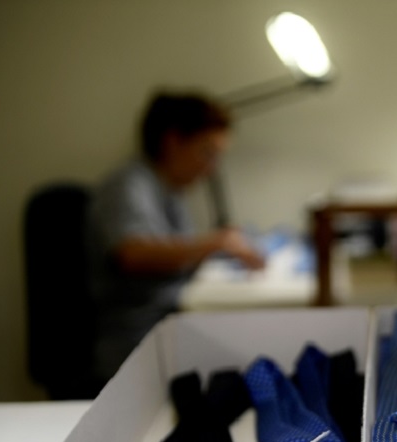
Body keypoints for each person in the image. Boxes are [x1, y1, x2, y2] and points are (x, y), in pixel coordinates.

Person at [87, 90, 265, 383]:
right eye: (207, 152)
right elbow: (134, 254)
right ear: (172, 142)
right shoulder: (128, 185)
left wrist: (220, 246)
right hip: (136, 344)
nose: (212, 168)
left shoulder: (169, 189)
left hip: (167, 329)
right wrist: (215, 243)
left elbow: (179, 253)